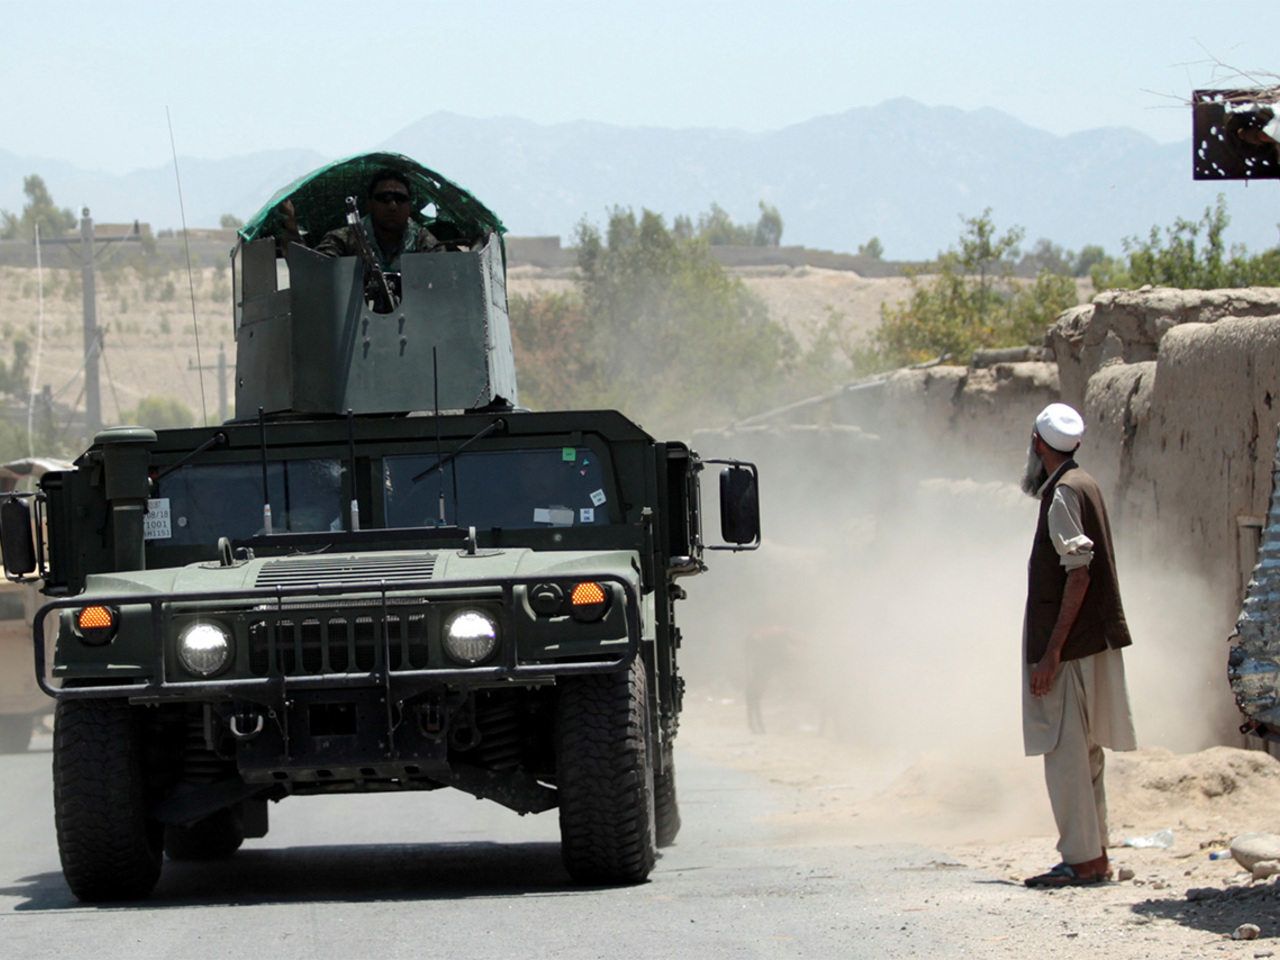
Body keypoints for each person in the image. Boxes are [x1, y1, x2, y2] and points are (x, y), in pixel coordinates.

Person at [1020, 402, 1137, 889]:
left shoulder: (1064, 493)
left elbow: (1079, 572)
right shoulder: (1083, 482)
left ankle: (1081, 861)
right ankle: (1097, 855)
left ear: (1037, 444)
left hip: (1068, 651)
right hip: (1093, 643)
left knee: (1065, 754)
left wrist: (1051, 653)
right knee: (1086, 754)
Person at [277, 169, 444, 270]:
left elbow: (448, 275)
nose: (392, 206)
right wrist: (291, 229)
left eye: (400, 199)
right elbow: (312, 272)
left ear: (409, 206)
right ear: (370, 204)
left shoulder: (422, 241)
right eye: (384, 198)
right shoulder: (344, 239)